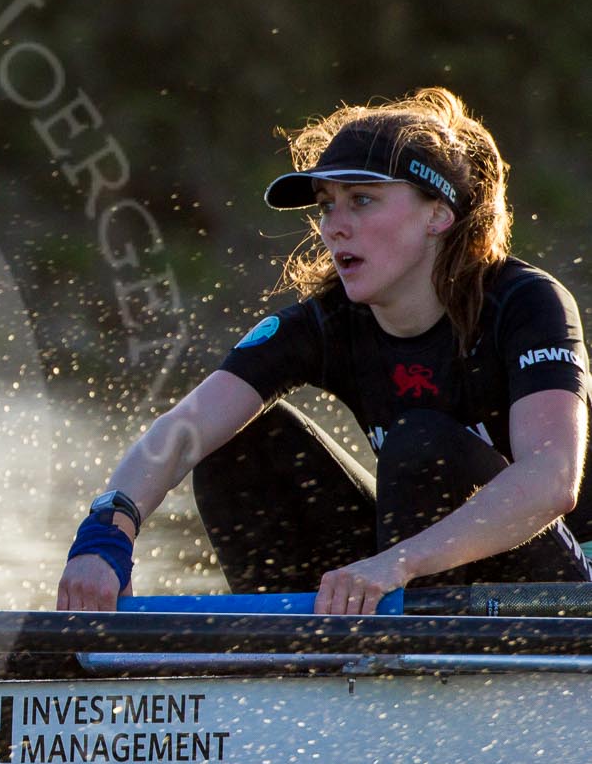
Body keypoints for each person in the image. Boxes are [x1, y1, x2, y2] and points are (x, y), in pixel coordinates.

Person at [57, 87, 589, 616]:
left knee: (421, 444)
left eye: (362, 200)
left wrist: (397, 565)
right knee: (238, 444)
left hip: (556, 601)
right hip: (415, 585)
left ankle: (398, 657)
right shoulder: (327, 323)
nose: (334, 226)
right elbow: (181, 431)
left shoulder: (526, 304)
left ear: (438, 214)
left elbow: (551, 481)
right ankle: (297, 670)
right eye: (327, 204)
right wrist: (107, 532)